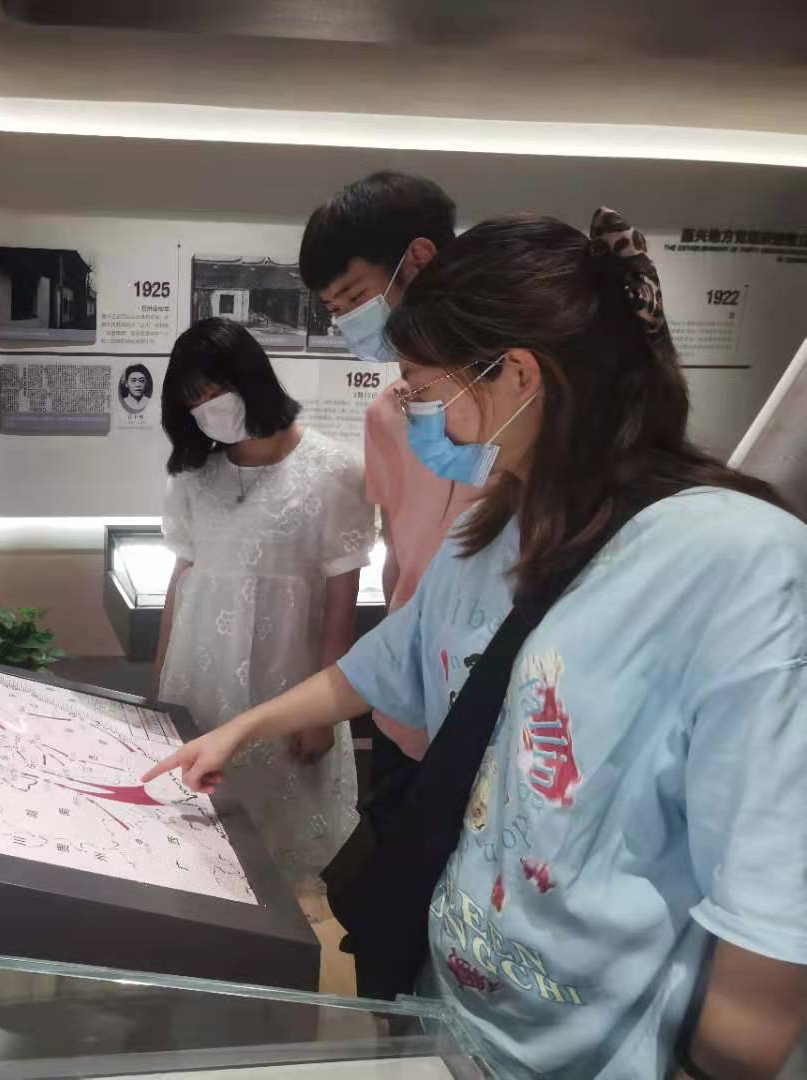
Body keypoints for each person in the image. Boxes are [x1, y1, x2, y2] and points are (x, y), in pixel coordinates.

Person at [146, 211, 807, 1078]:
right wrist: (242, 728)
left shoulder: (740, 564)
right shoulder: (497, 528)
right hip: (453, 1012)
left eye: (422, 387)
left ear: (517, 375)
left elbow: (767, 920)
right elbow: (382, 665)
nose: (413, 411)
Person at [152, 317, 376, 887]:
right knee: (196, 838)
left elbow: (342, 596)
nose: (206, 409)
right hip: (199, 677)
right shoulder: (194, 475)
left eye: (213, 391)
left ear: (250, 378)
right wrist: (159, 681)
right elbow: (182, 577)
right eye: (192, 400)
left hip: (286, 682)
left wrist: (324, 714)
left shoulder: (335, 470)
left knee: (278, 848)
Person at [300, 171, 471, 764]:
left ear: (418, 259)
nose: (349, 321)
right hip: (409, 683)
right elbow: (398, 558)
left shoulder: (519, 406)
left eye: (354, 299)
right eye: (335, 310)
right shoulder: (387, 415)